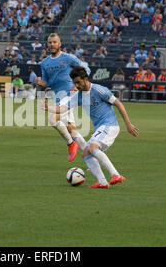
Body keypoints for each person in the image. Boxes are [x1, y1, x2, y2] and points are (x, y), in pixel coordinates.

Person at [43, 66, 139, 189]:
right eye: (74, 83)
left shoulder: (99, 90)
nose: (76, 86)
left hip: (110, 125)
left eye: (78, 82)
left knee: (92, 147)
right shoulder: (78, 96)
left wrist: (128, 124)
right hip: (101, 128)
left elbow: (118, 104)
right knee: (85, 153)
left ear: (86, 79)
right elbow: (63, 108)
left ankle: (115, 175)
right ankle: (102, 182)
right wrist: (48, 108)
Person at [36, 33, 90, 162]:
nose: (52, 44)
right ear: (47, 45)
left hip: (70, 95)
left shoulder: (68, 58)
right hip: (58, 97)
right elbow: (46, 82)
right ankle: (92, 156)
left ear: (60, 44)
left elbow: (85, 69)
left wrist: (79, 85)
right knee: (71, 129)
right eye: (50, 42)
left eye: (54, 42)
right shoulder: (44, 63)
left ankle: (71, 144)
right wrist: (40, 82)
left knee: (52, 118)